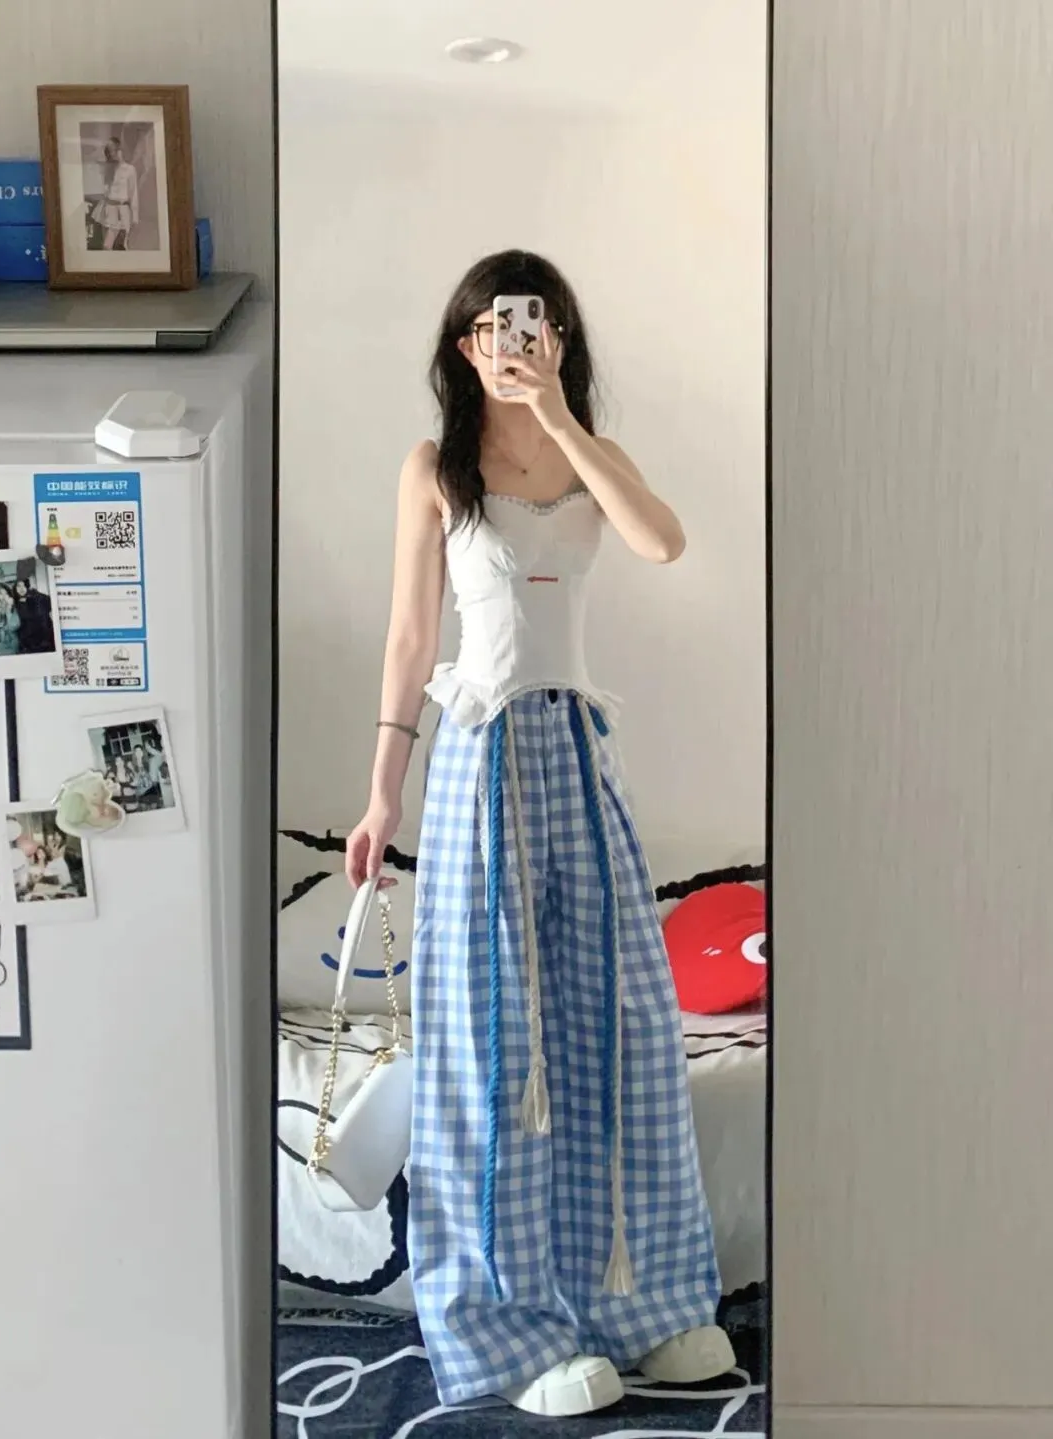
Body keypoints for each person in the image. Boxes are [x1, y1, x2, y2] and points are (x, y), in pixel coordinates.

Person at [345, 251, 733, 1417]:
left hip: (576, 749)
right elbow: (410, 638)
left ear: (557, 336)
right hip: (480, 760)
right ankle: (507, 1334)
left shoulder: (589, 452)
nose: (504, 345)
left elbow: (662, 541)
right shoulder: (435, 467)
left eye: (528, 326)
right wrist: (380, 796)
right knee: (490, 1045)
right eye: (485, 329)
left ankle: (642, 1304)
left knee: (621, 1025)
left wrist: (559, 416)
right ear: (461, 345)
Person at [88, 137, 139, 252]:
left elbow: (133, 193)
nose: (113, 154)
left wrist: (135, 216)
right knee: (107, 245)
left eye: (115, 150)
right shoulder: (108, 169)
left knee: (123, 245)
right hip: (108, 210)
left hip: (123, 211)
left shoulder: (130, 169)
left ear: (120, 150)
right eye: (110, 152)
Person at [13, 576, 54, 655]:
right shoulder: (15, 604)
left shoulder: (37, 598)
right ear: (15, 588)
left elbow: (50, 605)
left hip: (44, 641)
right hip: (28, 645)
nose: (21, 588)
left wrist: (36, 594)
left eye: (24, 585)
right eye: (18, 586)